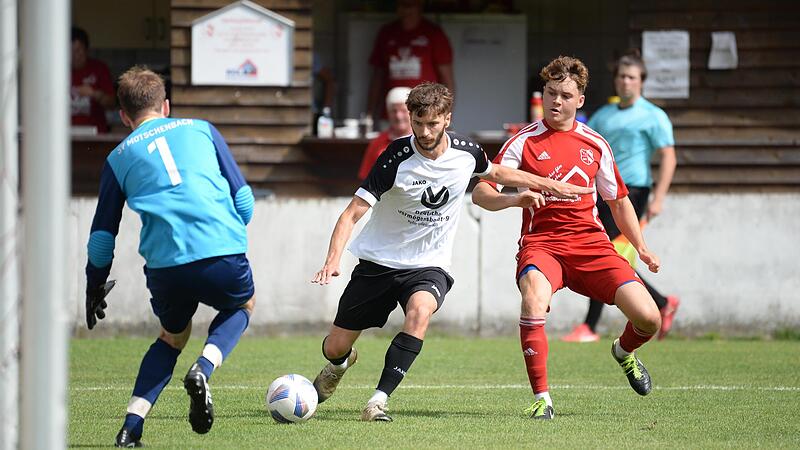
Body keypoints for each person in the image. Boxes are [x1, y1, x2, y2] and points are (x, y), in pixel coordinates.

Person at [310, 82, 593, 422]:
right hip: (379, 262)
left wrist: (545, 185)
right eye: (418, 123)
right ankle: (340, 363)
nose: (424, 132)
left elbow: (498, 172)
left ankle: (377, 401)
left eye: (432, 123)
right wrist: (332, 260)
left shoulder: (466, 152)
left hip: (429, 265)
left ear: (447, 119)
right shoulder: (394, 158)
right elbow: (351, 213)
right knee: (335, 346)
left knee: (420, 313)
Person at [472, 56, 663, 420]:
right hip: (542, 245)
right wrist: (516, 198)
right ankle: (542, 398)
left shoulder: (595, 144)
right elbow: (482, 192)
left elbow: (618, 200)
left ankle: (623, 352)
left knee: (650, 319)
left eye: (564, 95)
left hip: (591, 245)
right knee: (533, 302)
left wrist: (641, 247)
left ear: (580, 100)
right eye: (550, 93)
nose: (556, 101)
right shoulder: (522, 142)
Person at [84, 66, 257, 447]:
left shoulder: (117, 157)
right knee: (242, 306)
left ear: (125, 116)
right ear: (166, 105)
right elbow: (244, 201)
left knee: (171, 337)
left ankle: (131, 428)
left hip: (165, 264)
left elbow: (101, 238)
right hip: (221, 250)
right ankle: (204, 368)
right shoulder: (201, 129)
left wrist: (93, 284)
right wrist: (231, 229)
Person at [562, 50, 679, 343]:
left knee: (608, 255)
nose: (625, 82)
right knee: (610, 256)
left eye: (632, 77)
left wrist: (659, 198)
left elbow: (668, 157)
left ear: (641, 82)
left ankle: (589, 326)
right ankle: (663, 304)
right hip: (603, 193)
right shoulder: (603, 115)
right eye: (621, 77)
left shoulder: (654, 116)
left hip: (635, 194)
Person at [366, 0, 454, 120]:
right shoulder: (387, 33)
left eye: (410, 5)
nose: (406, 10)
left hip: (425, 113)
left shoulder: (434, 33)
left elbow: (447, 80)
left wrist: (445, 115)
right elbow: (377, 78)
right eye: (402, 5)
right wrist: (369, 113)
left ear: (420, 6)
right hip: (393, 113)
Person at [358, 86, 413, 180]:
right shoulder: (377, 143)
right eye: (394, 111)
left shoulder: (424, 140)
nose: (398, 116)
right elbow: (366, 179)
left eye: (403, 111)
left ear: (412, 113)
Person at [71, 27, 115, 133]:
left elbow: (111, 103)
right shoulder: (58, 72)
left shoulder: (99, 69)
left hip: (95, 133)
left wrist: (94, 93)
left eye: (78, 50)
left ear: (86, 50)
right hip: (64, 136)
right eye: (70, 51)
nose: (74, 56)